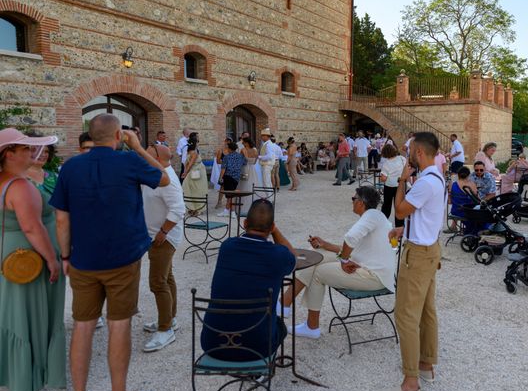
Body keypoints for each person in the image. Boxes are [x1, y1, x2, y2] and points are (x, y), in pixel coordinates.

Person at [50, 114, 169, 391]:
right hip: (123, 258)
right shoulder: (129, 161)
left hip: (83, 259)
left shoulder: (70, 167)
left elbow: (62, 220)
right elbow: (164, 178)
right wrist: (139, 148)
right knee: (119, 325)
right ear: (119, 136)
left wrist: (65, 256)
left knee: (83, 326)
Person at [280, 186, 395, 339]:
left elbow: (350, 239)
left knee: (318, 273)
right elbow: (352, 248)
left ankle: (310, 325)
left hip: (374, 276)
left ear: (361, 203)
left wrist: (344, 260)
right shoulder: (376, 217)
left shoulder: (371, 216)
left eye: (353, 199)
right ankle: (285, 303)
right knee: (317, 254)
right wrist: (324, 244)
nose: (352, 202)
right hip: (368, 267)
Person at [0, 129, 64, 391]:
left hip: (9, 252)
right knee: (28, 314)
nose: (32, 153)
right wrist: (52, 259)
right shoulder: (20, 186)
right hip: (29, 258)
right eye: (25, 149)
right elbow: (32, 227)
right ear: (9, 154)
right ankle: (26, 377)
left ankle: (13, 370)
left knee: (12, 312)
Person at [384, 132, 446, 391]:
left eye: (410, 150)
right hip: (429, 247)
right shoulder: (437, 177)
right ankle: (426, 364)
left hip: (418, 255)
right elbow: (425, 215)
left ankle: (410, 381)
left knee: (406, 315)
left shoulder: (422, 183)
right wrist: (404, 232)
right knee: (426, 310)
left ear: (419, 153)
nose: (407, 155)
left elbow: (399, 210)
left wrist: (400, 181)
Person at [200, 200, 296, 361]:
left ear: (244, 223)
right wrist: (275, 231)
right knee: (280, 326)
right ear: (272, 227)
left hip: (213, 343)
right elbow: (292, 257)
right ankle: (257, 371)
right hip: (258, 347)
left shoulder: (227, 247)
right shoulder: (278, 255)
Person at [141, 144, 186, 352]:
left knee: (157, 282)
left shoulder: (166, 179)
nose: (144, 154)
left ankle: (165, 330)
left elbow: (178, 209)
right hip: (155, 234)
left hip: (163, 238)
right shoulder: (155, 173)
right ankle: (169, 319)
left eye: (148, 152)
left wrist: (164, 232)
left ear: (158, 157)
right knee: (167, 278)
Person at [448, 166, 482, 235]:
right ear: (468, 175)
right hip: (467, 212)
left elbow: (449, 201)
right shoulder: (472, 184)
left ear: (458, 175)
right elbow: (477, 200)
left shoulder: (452, 184)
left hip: (455, 211)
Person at [380, 144, 407, 227]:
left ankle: (382, 222)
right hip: (400, 185)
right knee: (399, 205)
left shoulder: (386, 163)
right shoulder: (402, 159)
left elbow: (383, 178)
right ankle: (400, 225)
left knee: (387, 205)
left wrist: (381, 177)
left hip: (389, 186)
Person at [181, 132, 208, 216]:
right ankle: (196, 208)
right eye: (197, 141)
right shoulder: (194, 153)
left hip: (196, 172)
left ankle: (194, 208)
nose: (198, 143)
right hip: (197, 173)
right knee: (198, 190)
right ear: (195, 143)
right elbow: (190, 164)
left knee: (192, 189)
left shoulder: (189, 151)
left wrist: (185, 172)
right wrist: (185, 173)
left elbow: (186, 163)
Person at [218, 142, 246, 218]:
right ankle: (227, 210)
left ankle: (231, 211)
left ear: (230, 149)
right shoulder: (240, 156)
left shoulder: (226, 157)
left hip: (228, 176)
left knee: (230, 195)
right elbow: (245, 163)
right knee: (231, 194)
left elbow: (223, 168)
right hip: (236, 177)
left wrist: (220, 178)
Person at [237, 137, 259, 212]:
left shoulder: (243, 150)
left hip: (244, 169)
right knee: (253, 184)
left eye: (243, 142)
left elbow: (239, 160)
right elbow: (255, 161)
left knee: (243, 185)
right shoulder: (255, 150)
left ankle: (242, 205)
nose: (242, 143)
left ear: (246, 142)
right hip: (252, 169)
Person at [211, 138, 231, 208]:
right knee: (222, 186)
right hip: (223, 170)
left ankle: (229, 203)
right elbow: (218, 161)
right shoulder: (220, 151)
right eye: (227, 142)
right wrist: (225, 162)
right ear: (225, 142)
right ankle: (219, 202)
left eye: (229, 142)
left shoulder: (232, 151)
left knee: (231, 187)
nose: (228, 143)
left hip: (230, 170)